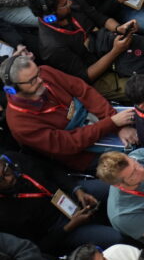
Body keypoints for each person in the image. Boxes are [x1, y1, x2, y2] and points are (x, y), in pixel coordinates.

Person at [29, 0, 144, 98]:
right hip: (98, 74)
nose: (70, 3)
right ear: (51, 16)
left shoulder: (72, 4)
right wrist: (115, 52)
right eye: (64, 4)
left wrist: (119, 28)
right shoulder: (52, 47)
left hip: (107, 44)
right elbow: (86, 76)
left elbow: (100, 18)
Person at [0, 53, 137, 172]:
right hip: (85, 154)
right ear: (13, 89)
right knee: (136, 160)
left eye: (38, 73)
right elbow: (69, 144)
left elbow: (83, 91)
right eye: (33, 80)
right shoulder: (19, 124)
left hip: (103, 118)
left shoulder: (45, 72)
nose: (41, 80)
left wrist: (116, 123)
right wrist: (112, 123)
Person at [0, 150, 119, 254]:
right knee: (117, 238)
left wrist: (77, 190)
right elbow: (40, 246)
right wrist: (70, 226)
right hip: (61, 227)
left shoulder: (12, 158)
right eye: (1, 180)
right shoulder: (4, 215)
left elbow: (52, 171)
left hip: (66, 191)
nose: (9, 178)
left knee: (115, 185)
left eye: (5, 170)